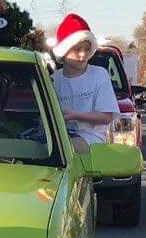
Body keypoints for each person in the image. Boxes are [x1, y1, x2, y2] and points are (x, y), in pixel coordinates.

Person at [48, 14, 117, 151]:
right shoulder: (54, 79)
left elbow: (106, 116)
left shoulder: (99, 74)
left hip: (91, 138)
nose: (83, 55)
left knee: (65, 150)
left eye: (86, 49)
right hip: (58, 137)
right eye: (77, 49)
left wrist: (75, 115)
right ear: (64, 50)